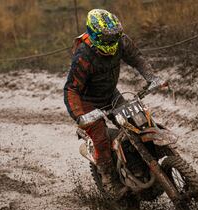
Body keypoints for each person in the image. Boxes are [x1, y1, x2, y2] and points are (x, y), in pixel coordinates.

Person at [64, 9, 165, 198]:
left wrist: (152, 78)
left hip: (111, 94)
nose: (112, 42)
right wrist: (81, 116)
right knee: (101, 138)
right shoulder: (83, 56)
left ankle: (144, 163)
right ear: (94, 35)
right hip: (88, 103)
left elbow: (137, 58)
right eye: (107, 38)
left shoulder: (121, 41)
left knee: (137, 121)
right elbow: (71, 90)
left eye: (114, 37)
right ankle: (108, 177)